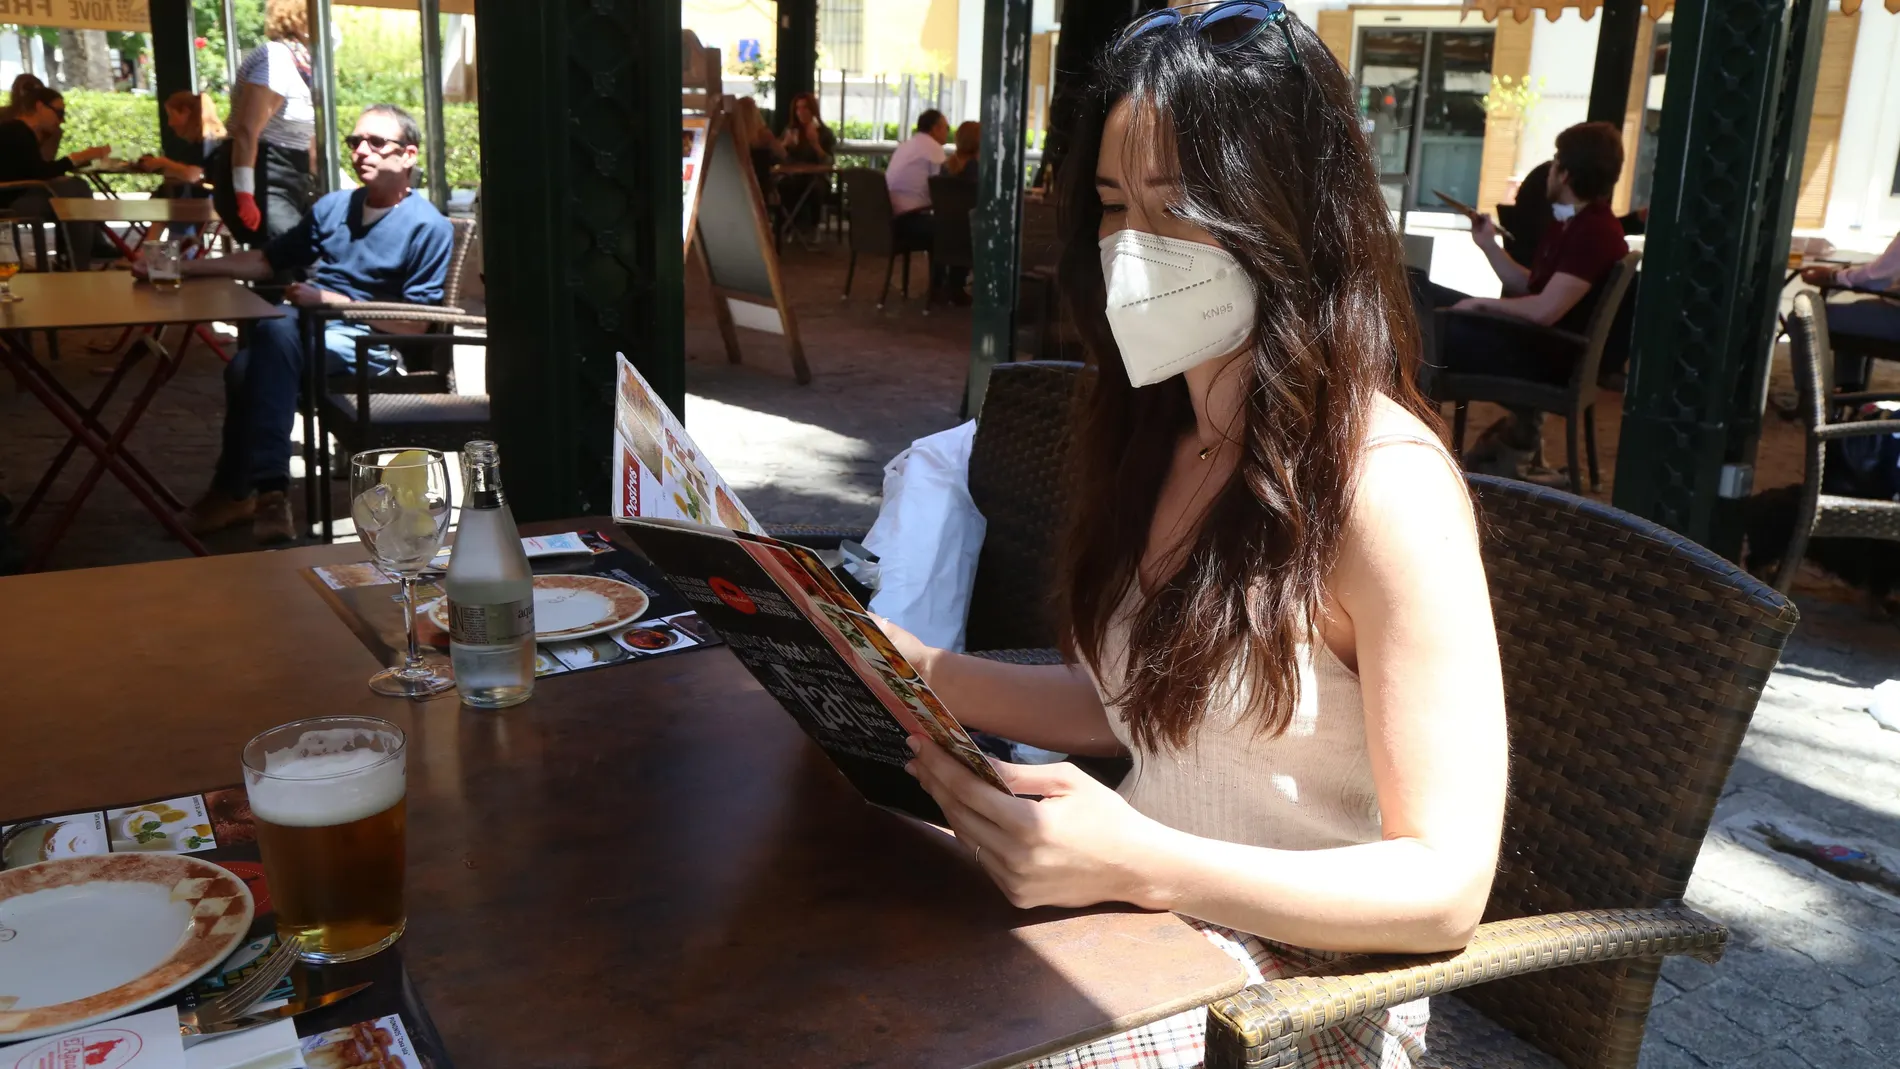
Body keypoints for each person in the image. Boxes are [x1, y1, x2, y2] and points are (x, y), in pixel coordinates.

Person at [876, 7, 1506, 1067]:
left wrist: (1143, 861)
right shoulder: (1162, 429)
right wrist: (914, 671)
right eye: (1114, 207)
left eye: (1179, 211)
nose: (1132, 251)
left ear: (1293, 217)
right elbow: (1151, 707)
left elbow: (1443, 888)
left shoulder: (1385, 492)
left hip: (1305, 996)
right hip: (1139, 929)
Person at [137, 106, 454, 545]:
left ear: (408, 156)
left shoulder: (428, 226)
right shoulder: (333, 207)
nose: (361, 151)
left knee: (255, 354)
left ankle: (241, 492)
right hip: (306, 335)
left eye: (376, 143)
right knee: (260, 351)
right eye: (355, 142)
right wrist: (185, 268)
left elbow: (415, 326)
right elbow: (267, 259)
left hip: (367, 349)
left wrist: (330, 300)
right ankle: (267, 494)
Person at [213, 0, 315, 246]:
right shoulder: (277, 58)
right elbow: (247, 130)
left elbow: (311, 140)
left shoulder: (305, 63)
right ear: (302, 18)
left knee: (295, 261)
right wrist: (245, 194)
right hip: (265, 175)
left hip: (292, 175)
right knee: (291, 253)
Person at [0, 87, 112, 268]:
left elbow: (32, 171)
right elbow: (39, 172)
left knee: (74, 188)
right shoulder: (17, 131)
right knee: (74, 192)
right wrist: (78, 157)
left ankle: (82, 254)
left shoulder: (18, 131)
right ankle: (81, 259)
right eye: (59, 112)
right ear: (39, 107)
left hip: (15, 193)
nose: (61, 120)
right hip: (10, 199)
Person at [885, 109, 953, 298]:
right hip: (908, 220)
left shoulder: (906, 146)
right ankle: (941, 288)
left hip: (890, 218)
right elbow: (941, 191)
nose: (948, 131)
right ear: (935, 128)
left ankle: (940, 286)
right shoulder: (933, 149)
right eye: (946, 127)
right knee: (950, 230)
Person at [139, 91, 228, 187]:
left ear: (185, 112)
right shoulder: (207, 138)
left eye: (171, 115)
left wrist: (163, 162)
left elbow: (192, 175)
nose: (170, 123)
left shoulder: (206, 141)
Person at [778, 91, 835, 233]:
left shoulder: (824, 133)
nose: (801, 112)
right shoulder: (791, 131)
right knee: (783, 185)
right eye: (798, 108)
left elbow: (829, 162)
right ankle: (789, 228)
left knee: (815, 189)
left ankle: (812, 228)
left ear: (813, 110)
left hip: (817, 178)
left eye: (805, 108)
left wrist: (816, 144)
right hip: (795, 176)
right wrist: (784, 145)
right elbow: (781, 160)